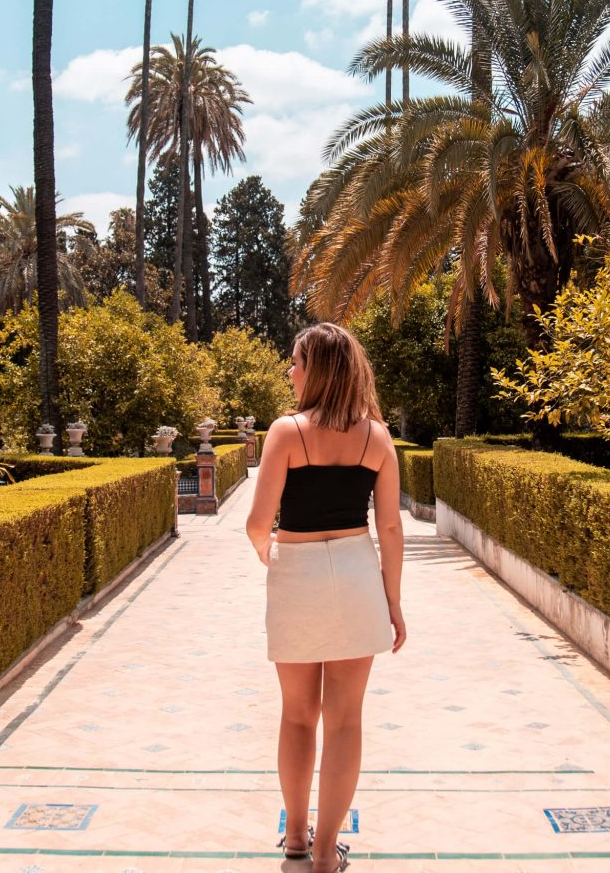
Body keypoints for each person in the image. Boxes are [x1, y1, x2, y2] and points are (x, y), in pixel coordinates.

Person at [246, 322, 406, 873]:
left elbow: (256, 523)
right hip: (359, 574)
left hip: (298, 573)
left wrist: (272, 556)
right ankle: (323, 852)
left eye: (295, 361)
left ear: (318, 370)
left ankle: (295, 836)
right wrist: (394, 603)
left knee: (297, 716)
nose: (289, 371)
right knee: (345, 721)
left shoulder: (285, 432)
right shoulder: (377, 438)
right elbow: (390, 529)